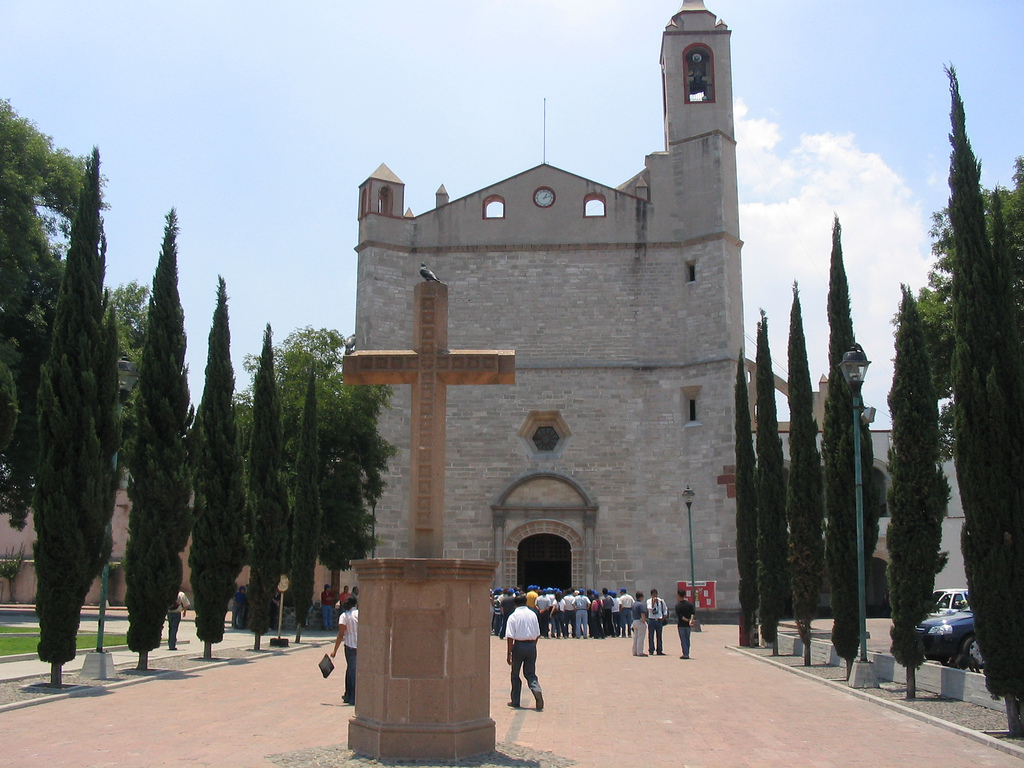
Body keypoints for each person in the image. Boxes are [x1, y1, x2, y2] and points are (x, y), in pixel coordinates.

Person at [505, 594, 543, 710]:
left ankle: (515, 700)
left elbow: (510, 636)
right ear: (526, 602)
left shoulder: (513, 616)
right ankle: (536, 689)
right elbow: (537, 634)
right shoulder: (533, 614)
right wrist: (532, 646)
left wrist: (509, 653)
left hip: (519, 646)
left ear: (515, 604)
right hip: (531, 646)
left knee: (515, 674)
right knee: (530, 673)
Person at [331, 596, 359, 705]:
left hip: (350, 646)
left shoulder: (344, 616)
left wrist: (335, 650)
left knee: (352, 671)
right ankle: (348, 694)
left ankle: (352, 697)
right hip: (360, 645)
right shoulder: (360, 614)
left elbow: (341, 634)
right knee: (351, 670)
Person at [646, 589, 669, 656]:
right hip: (652, 620)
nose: (655, 596)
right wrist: (653, 603)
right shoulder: (649, 601)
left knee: (659, 636)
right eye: (653, 594)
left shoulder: (661, 601)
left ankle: (659, 650)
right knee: (651, 635)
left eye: (655, 594)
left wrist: (664, 616)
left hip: (659, 619)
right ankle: (651, 650)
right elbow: (649, 608)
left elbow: (665, 609)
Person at [675, 589, 695, 659]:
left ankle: (685, 654)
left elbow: (680, 616)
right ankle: (687, 652)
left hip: (681, 625)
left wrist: (687, 620)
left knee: (683, 639)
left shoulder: (678, 605)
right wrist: (690, 621)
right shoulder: (689, 604)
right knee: (687, 639)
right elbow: (693, 613)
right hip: (688, 625)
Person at [631, 591, 648, 656]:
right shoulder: (640, 604)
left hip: (634, 621)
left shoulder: (634, 604)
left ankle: (634, 651)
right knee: (641, 637)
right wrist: (644, 621)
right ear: (641, 597)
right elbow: (642, 613)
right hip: (639, 621)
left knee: (636, 637)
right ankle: (640, 652)